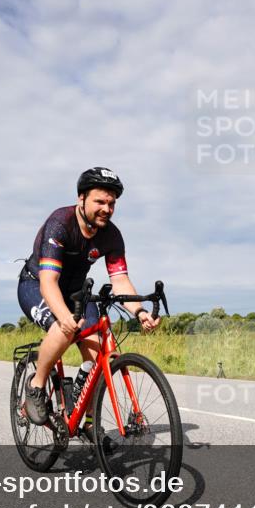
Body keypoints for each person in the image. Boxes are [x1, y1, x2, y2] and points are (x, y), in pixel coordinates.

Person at [17, 167, 160, 432]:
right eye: (100, 202)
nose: (107, 208)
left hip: (77, 291)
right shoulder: (60, 223)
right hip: (37, 285)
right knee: (62, 329)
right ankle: (35, 386)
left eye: (112, 203)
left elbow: (120, 281)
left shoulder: (112, 235)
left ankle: (88, 421)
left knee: (97, 354)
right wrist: (64, 317)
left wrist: (139, 312)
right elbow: (49, 283)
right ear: (81, 198)